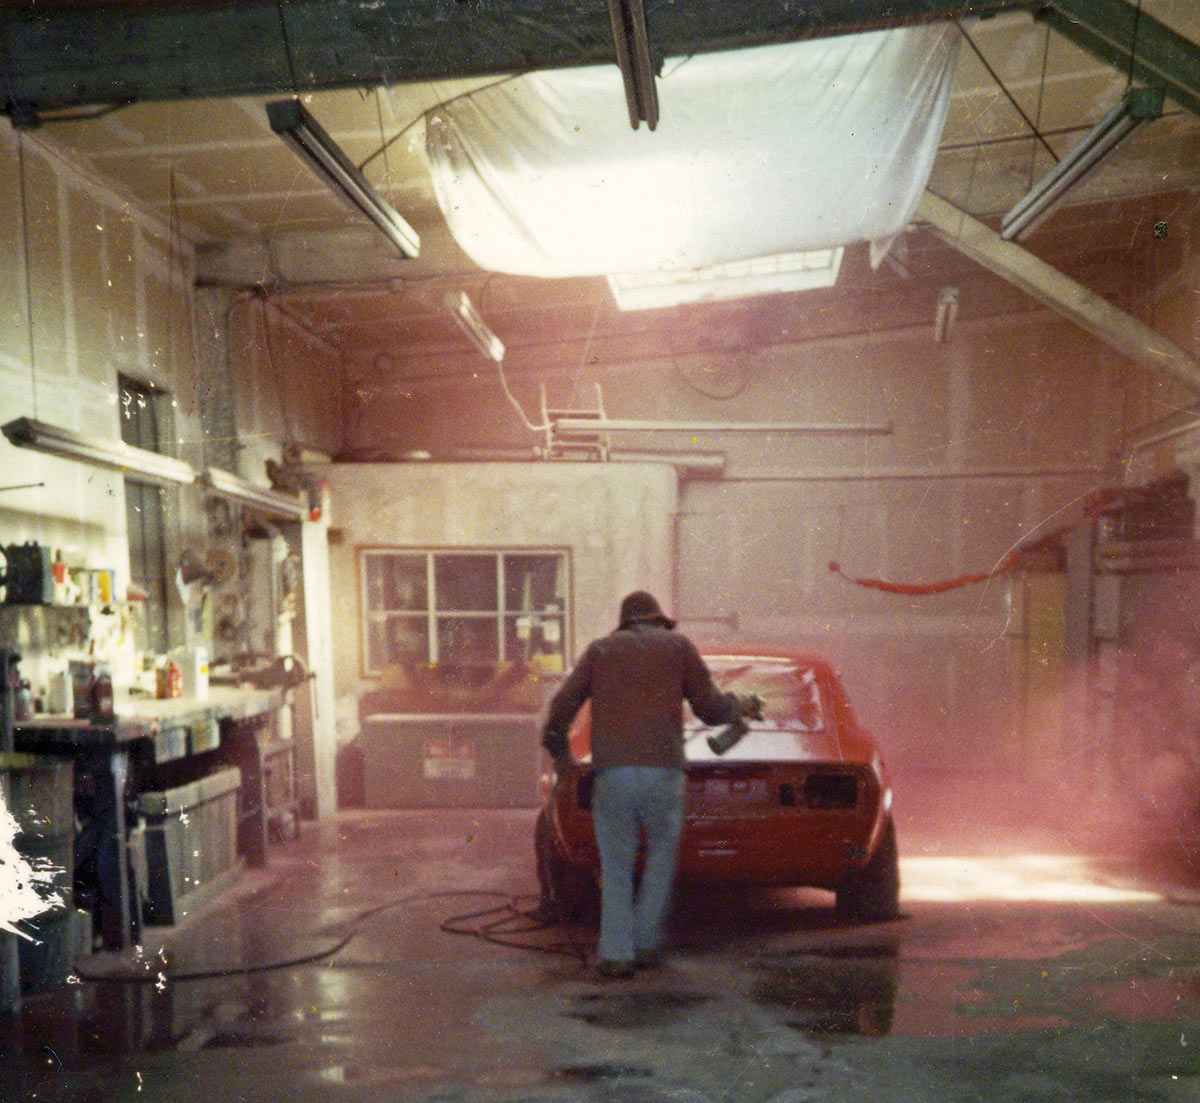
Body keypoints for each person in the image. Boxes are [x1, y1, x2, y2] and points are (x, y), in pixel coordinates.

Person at [541, 590, 760, 978]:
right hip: (664, 773)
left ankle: (616, 954)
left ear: (625, 622)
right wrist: (739, 706)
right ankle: (644, 944)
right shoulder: (679, 647)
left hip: (614, 774)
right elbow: (710, 709)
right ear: (659, 620)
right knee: (660, 859)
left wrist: (560, 750)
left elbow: (562, 706)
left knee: (616, 865)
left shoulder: (600, 651)